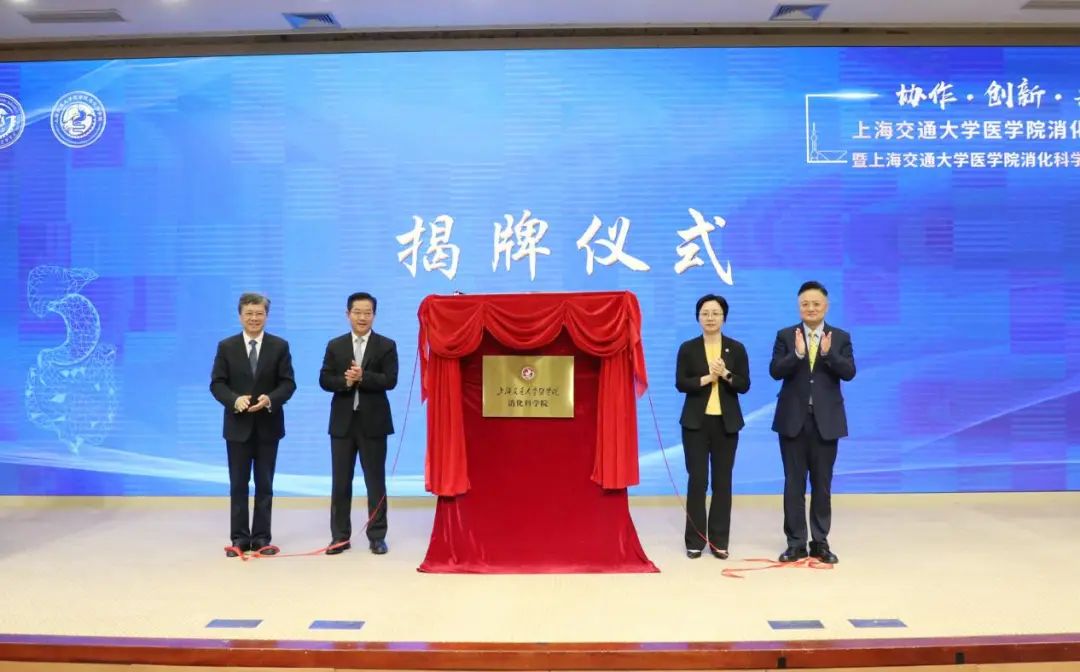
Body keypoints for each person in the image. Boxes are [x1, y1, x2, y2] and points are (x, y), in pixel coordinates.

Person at [769, 280, 856, 565]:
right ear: (799, 306)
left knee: (822, 484)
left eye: (816, 304)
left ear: (826, 306)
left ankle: (820, 542)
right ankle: (795, 543)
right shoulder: (786, 335)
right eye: (805, 304)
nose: (810, 308)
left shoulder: (840, 337)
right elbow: (775, 371)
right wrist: (797, 355)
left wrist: (829, 354)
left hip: (826, 422)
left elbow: (849, 372)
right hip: (792, 421)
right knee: (793, 485)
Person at [210, 292, 296, 557]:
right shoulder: (226, 347)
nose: (254, 318)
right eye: (249, 313)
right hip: (237, 427)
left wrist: (271, 399)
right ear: (240, 316)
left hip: (269, 426)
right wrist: (234, 400)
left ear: (266, 316)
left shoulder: (279, 346)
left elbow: (288, 383)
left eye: (259, 313)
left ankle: (261, 538)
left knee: (264, 485)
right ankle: (239, 539)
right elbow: (217, 384)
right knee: (238, 485)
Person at [319, 292, 398, 555]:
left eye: (367, 312)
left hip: (374, 424)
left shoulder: (386, 345)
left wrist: (364, 377)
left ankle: (377, 536)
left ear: (374, 315)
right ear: (348, 314)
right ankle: (339, 537)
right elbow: (324, 380)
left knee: (375, 482)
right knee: (341, 482)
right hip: (342, 424)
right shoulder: (335, 345)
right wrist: (346, 382)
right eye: (357, 312)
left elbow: (390, 380)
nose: (362, 317)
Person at [675, 294, 750, 559]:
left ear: (724, 317)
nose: (710, 318)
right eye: (705, 313)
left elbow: (744, 384)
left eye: (715, 313)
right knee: (697, 481)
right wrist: (708, 378)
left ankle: (719, 541)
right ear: (698, 317)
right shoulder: (688, 348)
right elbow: (681, 383)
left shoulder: (736, 348)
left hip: (726, 424)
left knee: (722, 482)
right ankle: (695, 540)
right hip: (695, 424)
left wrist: (726, 374)